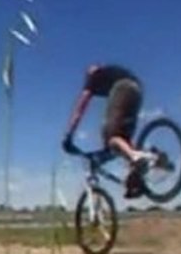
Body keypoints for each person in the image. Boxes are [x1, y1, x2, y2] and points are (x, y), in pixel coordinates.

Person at [62, 64, 148, 198]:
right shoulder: (111, 74)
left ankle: (135, 157)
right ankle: (141, 173)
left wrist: (68, 135)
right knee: (122, 141)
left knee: (111, 137)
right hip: (138, 90)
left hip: (123, 88)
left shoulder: (93, 79)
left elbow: (80, 109)